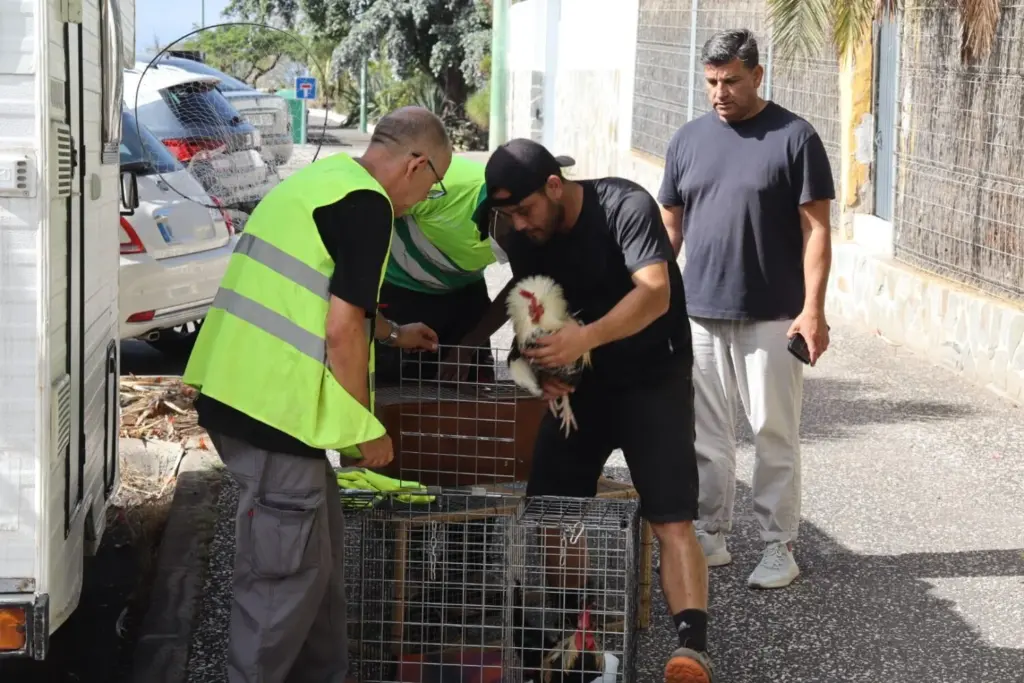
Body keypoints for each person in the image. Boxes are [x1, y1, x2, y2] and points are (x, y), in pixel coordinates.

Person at [180, 106, 452, 683]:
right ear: (417, 164)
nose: (425, 198)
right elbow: (341, 330)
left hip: (245, 395)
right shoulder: (368, 206)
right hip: (273, 414)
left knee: (317, 568)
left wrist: (394, 334)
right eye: (434, 185)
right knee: (280, 586)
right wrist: (362, 431)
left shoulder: (324, 182)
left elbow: (324, 299)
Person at [475, 138, 715, 683]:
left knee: (671, 517)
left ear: (554, 186)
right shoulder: (522, 235)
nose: (519, 224)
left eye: (525, 210)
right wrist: (538, 367)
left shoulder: (625, 207)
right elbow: (535, 313)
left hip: (653, 380)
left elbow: (654, 293)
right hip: (583, 393)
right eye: (509, 216)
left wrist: (585, 338)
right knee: (556, 513)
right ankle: (576, 638)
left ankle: (691, 650)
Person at [657, 28, 835, 590]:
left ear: (757, 75)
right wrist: (651, 297)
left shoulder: (795, 137)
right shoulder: (687, 140)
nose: (720, 93)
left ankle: (779, 545)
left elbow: (817, 229)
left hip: (773, 314)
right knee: (705, 436)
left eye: (731, 80)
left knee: (771, 433)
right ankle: (710, 533)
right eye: (711, 81)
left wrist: (813, 310)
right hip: (698, 312)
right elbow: (669, 228)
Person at [374, 155, 507, 385]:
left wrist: (468, 347)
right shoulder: (439, 186)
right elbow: (368, 216)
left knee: (471, 386)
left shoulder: (537, 219)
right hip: (399, 287)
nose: (526, 228)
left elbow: (525, 285)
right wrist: (390, 331)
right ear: (494, 213)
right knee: (399, 388)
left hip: (465, 289)